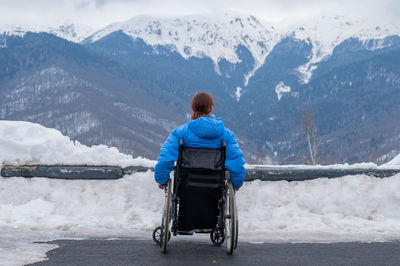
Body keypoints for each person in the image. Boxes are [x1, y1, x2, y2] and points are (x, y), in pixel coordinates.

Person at [154, 92, 246, 190]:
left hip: (186, 190)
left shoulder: (179, 133)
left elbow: (166, 158)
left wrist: (162, 180)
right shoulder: (226, 135)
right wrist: (237, 183)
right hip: (215, 191)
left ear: (193, 108)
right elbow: (236, 160)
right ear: (211, 108)